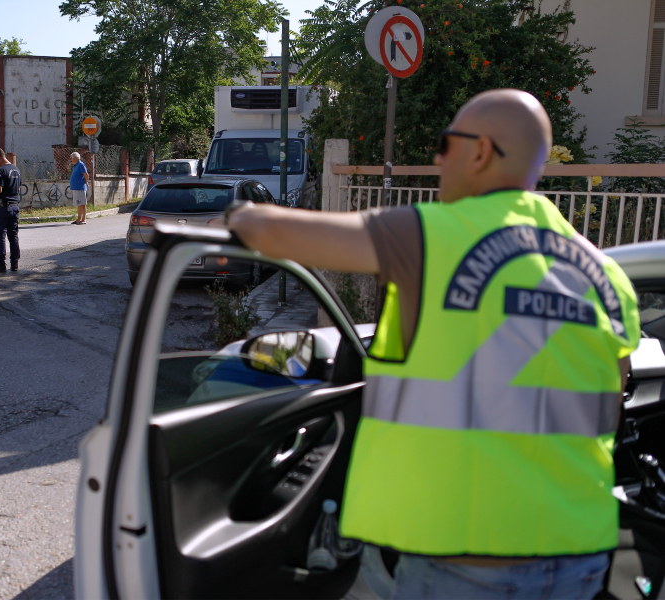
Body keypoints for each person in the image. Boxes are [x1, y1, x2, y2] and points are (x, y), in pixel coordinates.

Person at [227, 89, 641, 599]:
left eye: (446, 145)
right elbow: (607, 410)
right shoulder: (606, 274)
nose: (438, 159)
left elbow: (277, 234)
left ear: (481, 151)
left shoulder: (430, 236)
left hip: (466, 565)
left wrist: (240, 215)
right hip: (581, 556)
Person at [70, 151, 90, 225]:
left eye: (71, 158)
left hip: (80, 187)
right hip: (76, 188)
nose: (71, 160)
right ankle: (79, 219)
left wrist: (86, 182)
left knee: (83, 203)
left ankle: (83, 219)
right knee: (79, 204)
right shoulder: (76, 165)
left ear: (75, 158)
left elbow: (86, 175)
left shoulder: (81, 164)